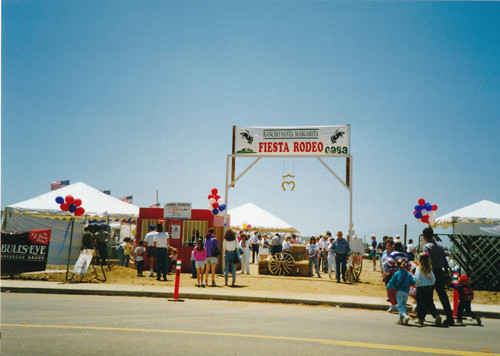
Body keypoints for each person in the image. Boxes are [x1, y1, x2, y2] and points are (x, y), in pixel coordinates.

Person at [422, 227, 454, 326]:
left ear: (424, 236)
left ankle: (431, 315)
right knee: (443, 295)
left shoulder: (426, 247)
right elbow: (445, 262)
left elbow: (427, 262)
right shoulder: (440, 247)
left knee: (427, 295)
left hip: (431, 272)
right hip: (440, 272)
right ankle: (450, 317)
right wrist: (447, 273)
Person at [414, 252, 441, 327]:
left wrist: (415, 285)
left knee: (420, 304)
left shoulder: (418, 269)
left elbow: (417, 279)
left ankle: (421, 318)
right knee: (430, 303)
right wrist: (431, 284)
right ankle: (436, 315)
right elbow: (434, 279)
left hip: (421, 288)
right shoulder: (429, 269)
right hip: (429, 288)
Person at [386, 258, 415, 325]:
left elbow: (392, 282)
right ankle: (400, 320)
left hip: (399, 291)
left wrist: (388, 287)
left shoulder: (397, 273)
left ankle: (405, 316)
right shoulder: (408, 274)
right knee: (403, 305)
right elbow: (413, 282)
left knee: (400, 306)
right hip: (406, 292)